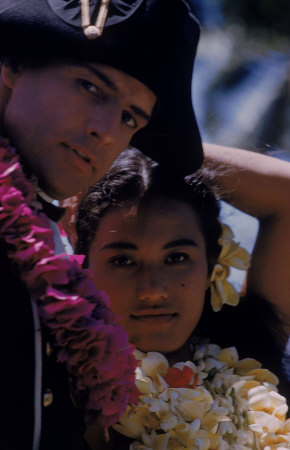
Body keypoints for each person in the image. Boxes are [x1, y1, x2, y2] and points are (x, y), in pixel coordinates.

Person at [0, 1, 203, 449]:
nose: (107, 132)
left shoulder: (45, 247)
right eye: (90, 87)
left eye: (131, 118)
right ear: (12, 63)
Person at [75, 147, 290, 448]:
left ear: (212, 264)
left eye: (177, 258)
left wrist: (147, 135)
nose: (153, 289)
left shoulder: (246, 354)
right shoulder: (62, 387)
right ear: (84, 267)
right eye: (123, 261)